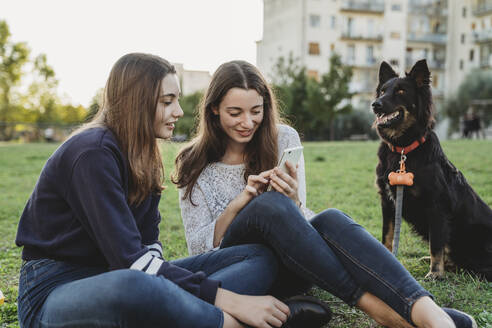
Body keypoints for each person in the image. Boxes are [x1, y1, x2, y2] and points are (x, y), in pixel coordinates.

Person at [14, 53, 331, 328]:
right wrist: (230, 302)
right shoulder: (92, 153)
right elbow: (130, 263)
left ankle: (181, 314)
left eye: (176, 100)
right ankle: (233, 323)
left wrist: (183, 290)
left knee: (257, 257)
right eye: (168, 102)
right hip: (55, 292)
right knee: (139, 284)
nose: (179, 111)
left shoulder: (145, 155)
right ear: (135, 103)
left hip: (119, 275)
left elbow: (149, 247)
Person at [173, 60, 478, 328]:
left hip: (298, 263)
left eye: (256, 111)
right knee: (267, 207)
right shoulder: (193, 162)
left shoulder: (283, 137)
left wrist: (292, 199)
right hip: (247, 268)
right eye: (235, 112)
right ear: (214, 109)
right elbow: (199, 250)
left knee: (329, 218)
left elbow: (300, 217)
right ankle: (388, 314)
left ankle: (429, 313)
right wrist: (242, 203)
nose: (247, 122)